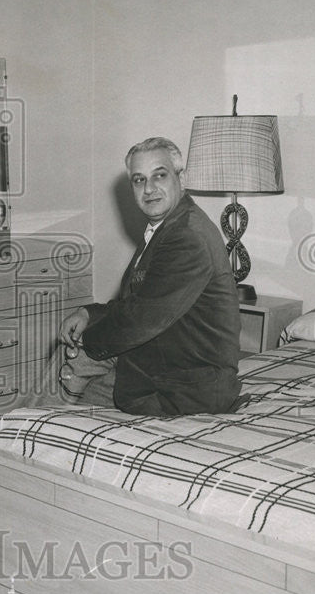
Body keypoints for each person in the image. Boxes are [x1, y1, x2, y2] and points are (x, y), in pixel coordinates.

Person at [58, 136, 244, 415]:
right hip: (157, 367)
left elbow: (142, 319)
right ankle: (11, 438)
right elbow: (140, 301)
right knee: (58, 387)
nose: (149, 189)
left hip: (182, 387)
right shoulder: (170, 225)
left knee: (62, 382)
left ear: (182, 178)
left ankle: (9, 439)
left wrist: (85, 343)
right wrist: (90, 313)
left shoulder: (187, 236)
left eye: (160, 175)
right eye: (138, 179)